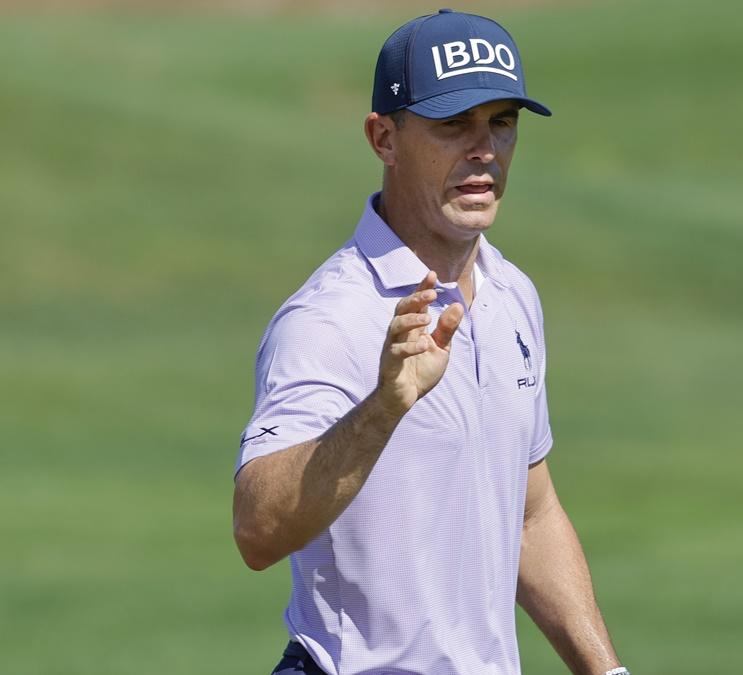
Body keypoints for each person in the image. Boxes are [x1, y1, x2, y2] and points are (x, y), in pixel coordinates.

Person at [232, 10, 628, 675]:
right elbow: (258, 529)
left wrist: (604, 670)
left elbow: (532, 516)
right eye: (453, 125)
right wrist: (385, 405)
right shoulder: (329, 318)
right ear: (383, 137)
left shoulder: (512, 295)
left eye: (502, 122)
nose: (485, 151)